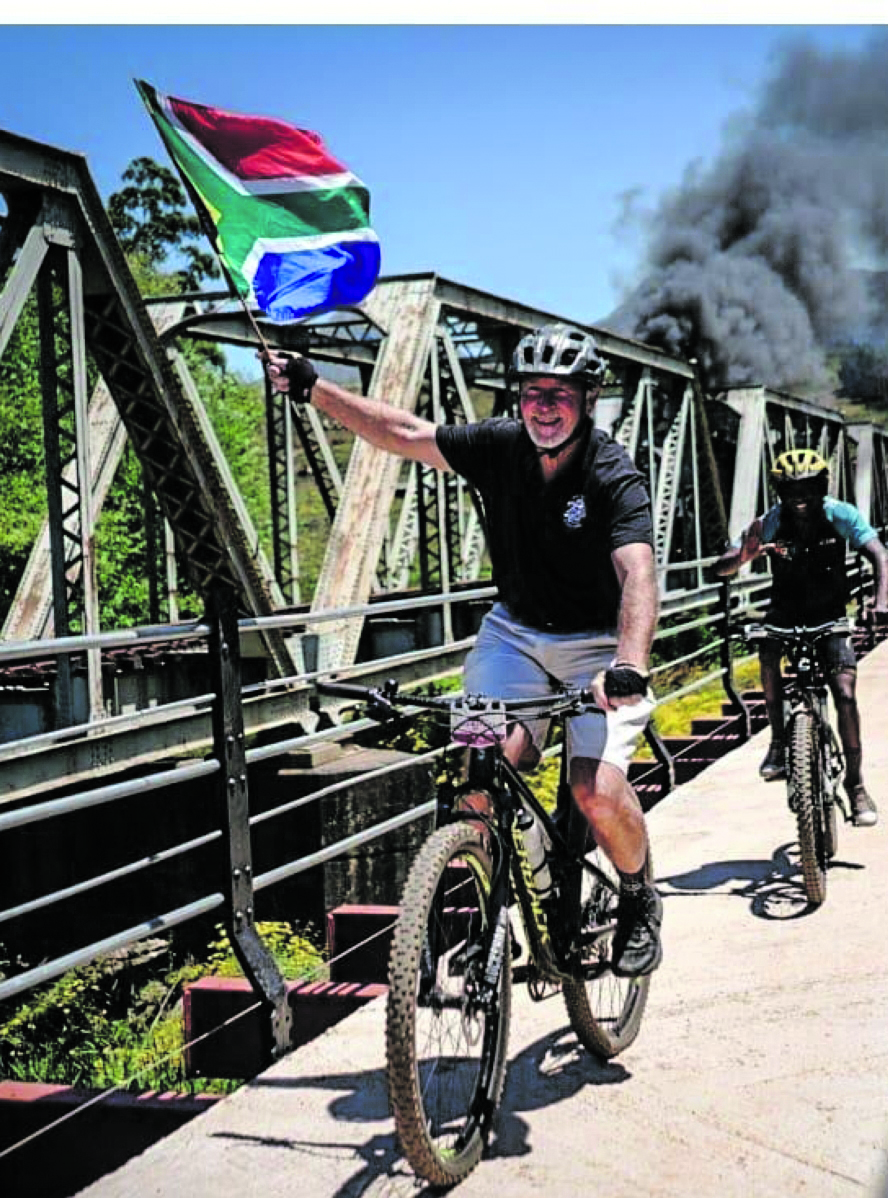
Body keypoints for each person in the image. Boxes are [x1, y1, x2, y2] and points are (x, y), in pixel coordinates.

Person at [264, 323, 665, 977]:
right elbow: (403, 434)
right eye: (531, 392)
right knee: (478, 769)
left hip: (598, 647)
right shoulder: (500, 446)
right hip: (514, 635)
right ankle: (493, 912)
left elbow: (638, 576)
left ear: (587, 399)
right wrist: (313, 389)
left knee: (593, 789)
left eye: (559, 393)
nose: (543, 405)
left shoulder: (612, 474)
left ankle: (640, 898)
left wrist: (630, 664)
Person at [712, 447, 888, 827]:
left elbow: (879, 555)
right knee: (767, 654)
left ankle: (856, 785)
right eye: (790, 490)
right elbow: (723, 568)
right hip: (785, 614)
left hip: (829, 616)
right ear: (779, 493)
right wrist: (744, 556)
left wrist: (880, 602)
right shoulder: (770, 523)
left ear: (822, 487)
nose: (799, 498)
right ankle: (779, 742)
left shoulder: (840, 515)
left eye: (808, 489)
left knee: (844, 693)